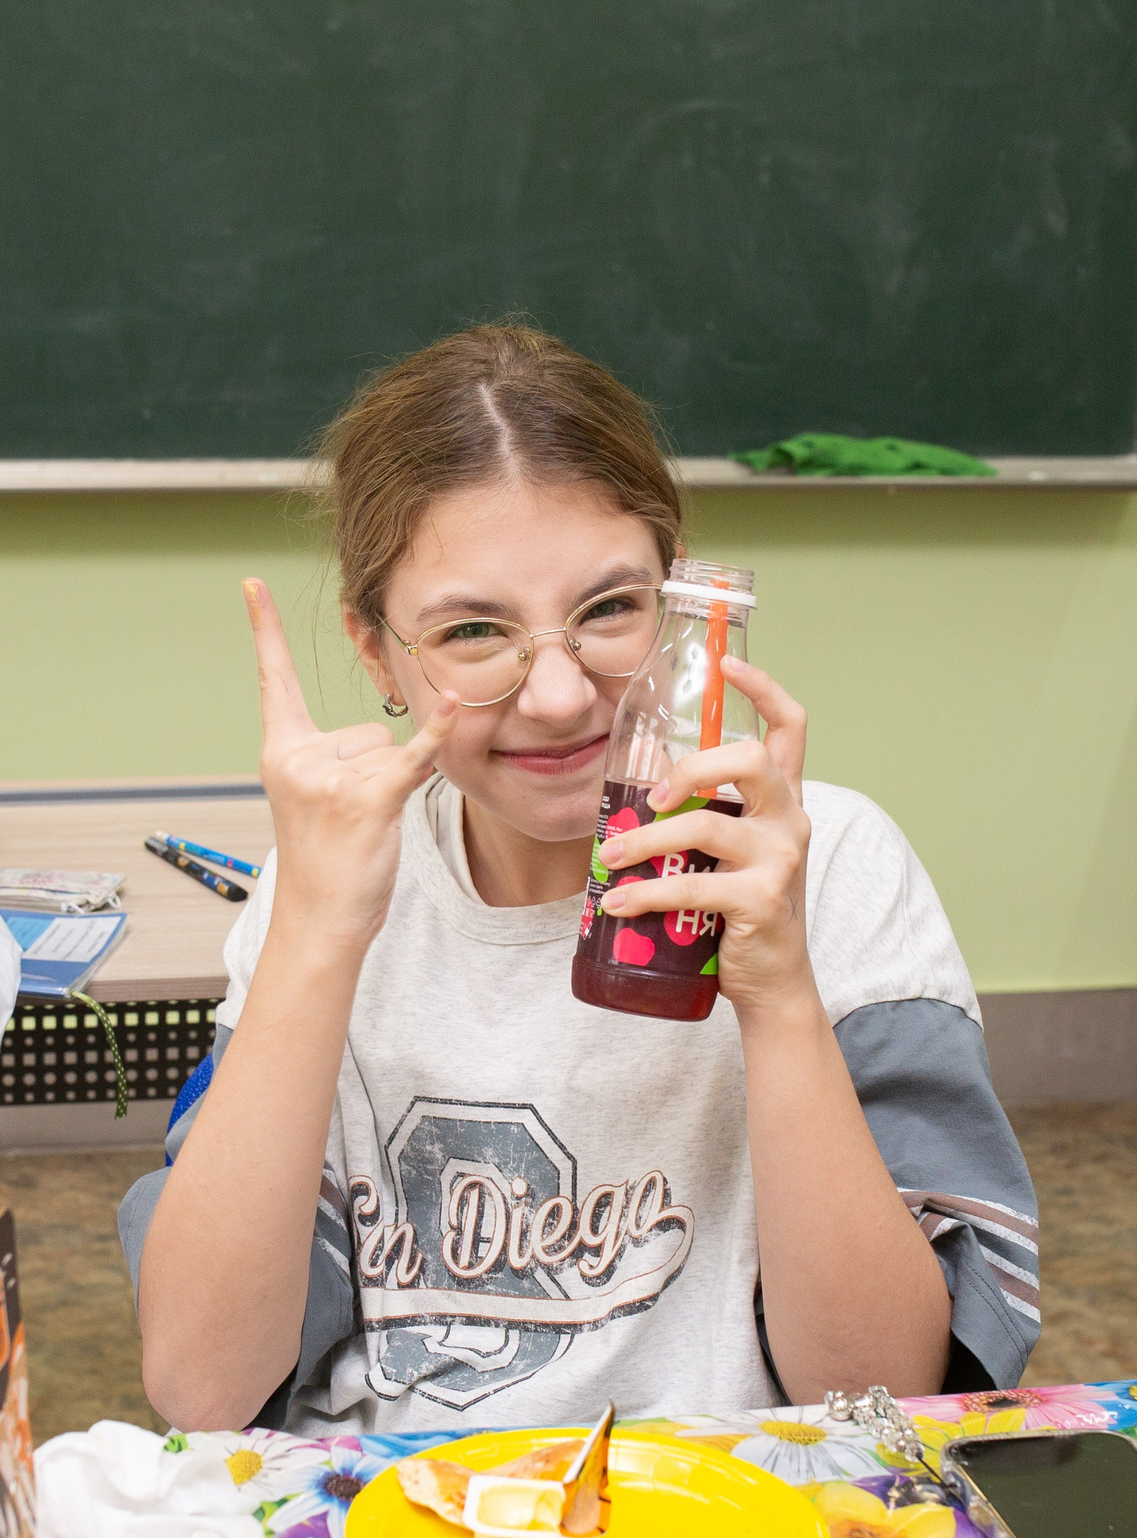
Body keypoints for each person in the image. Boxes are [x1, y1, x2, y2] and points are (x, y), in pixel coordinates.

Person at [123, 323, 1037, 1435]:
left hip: (730, 1517)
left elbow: (888, 1396)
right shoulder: (327, 886)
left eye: (609, 610)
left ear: (682, 599)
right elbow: (202, 1388)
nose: (557, 694)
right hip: (393, 1519)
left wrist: (780, 994)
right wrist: (315, 937)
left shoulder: (828, 865)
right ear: (377, 655)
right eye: (472, 630)